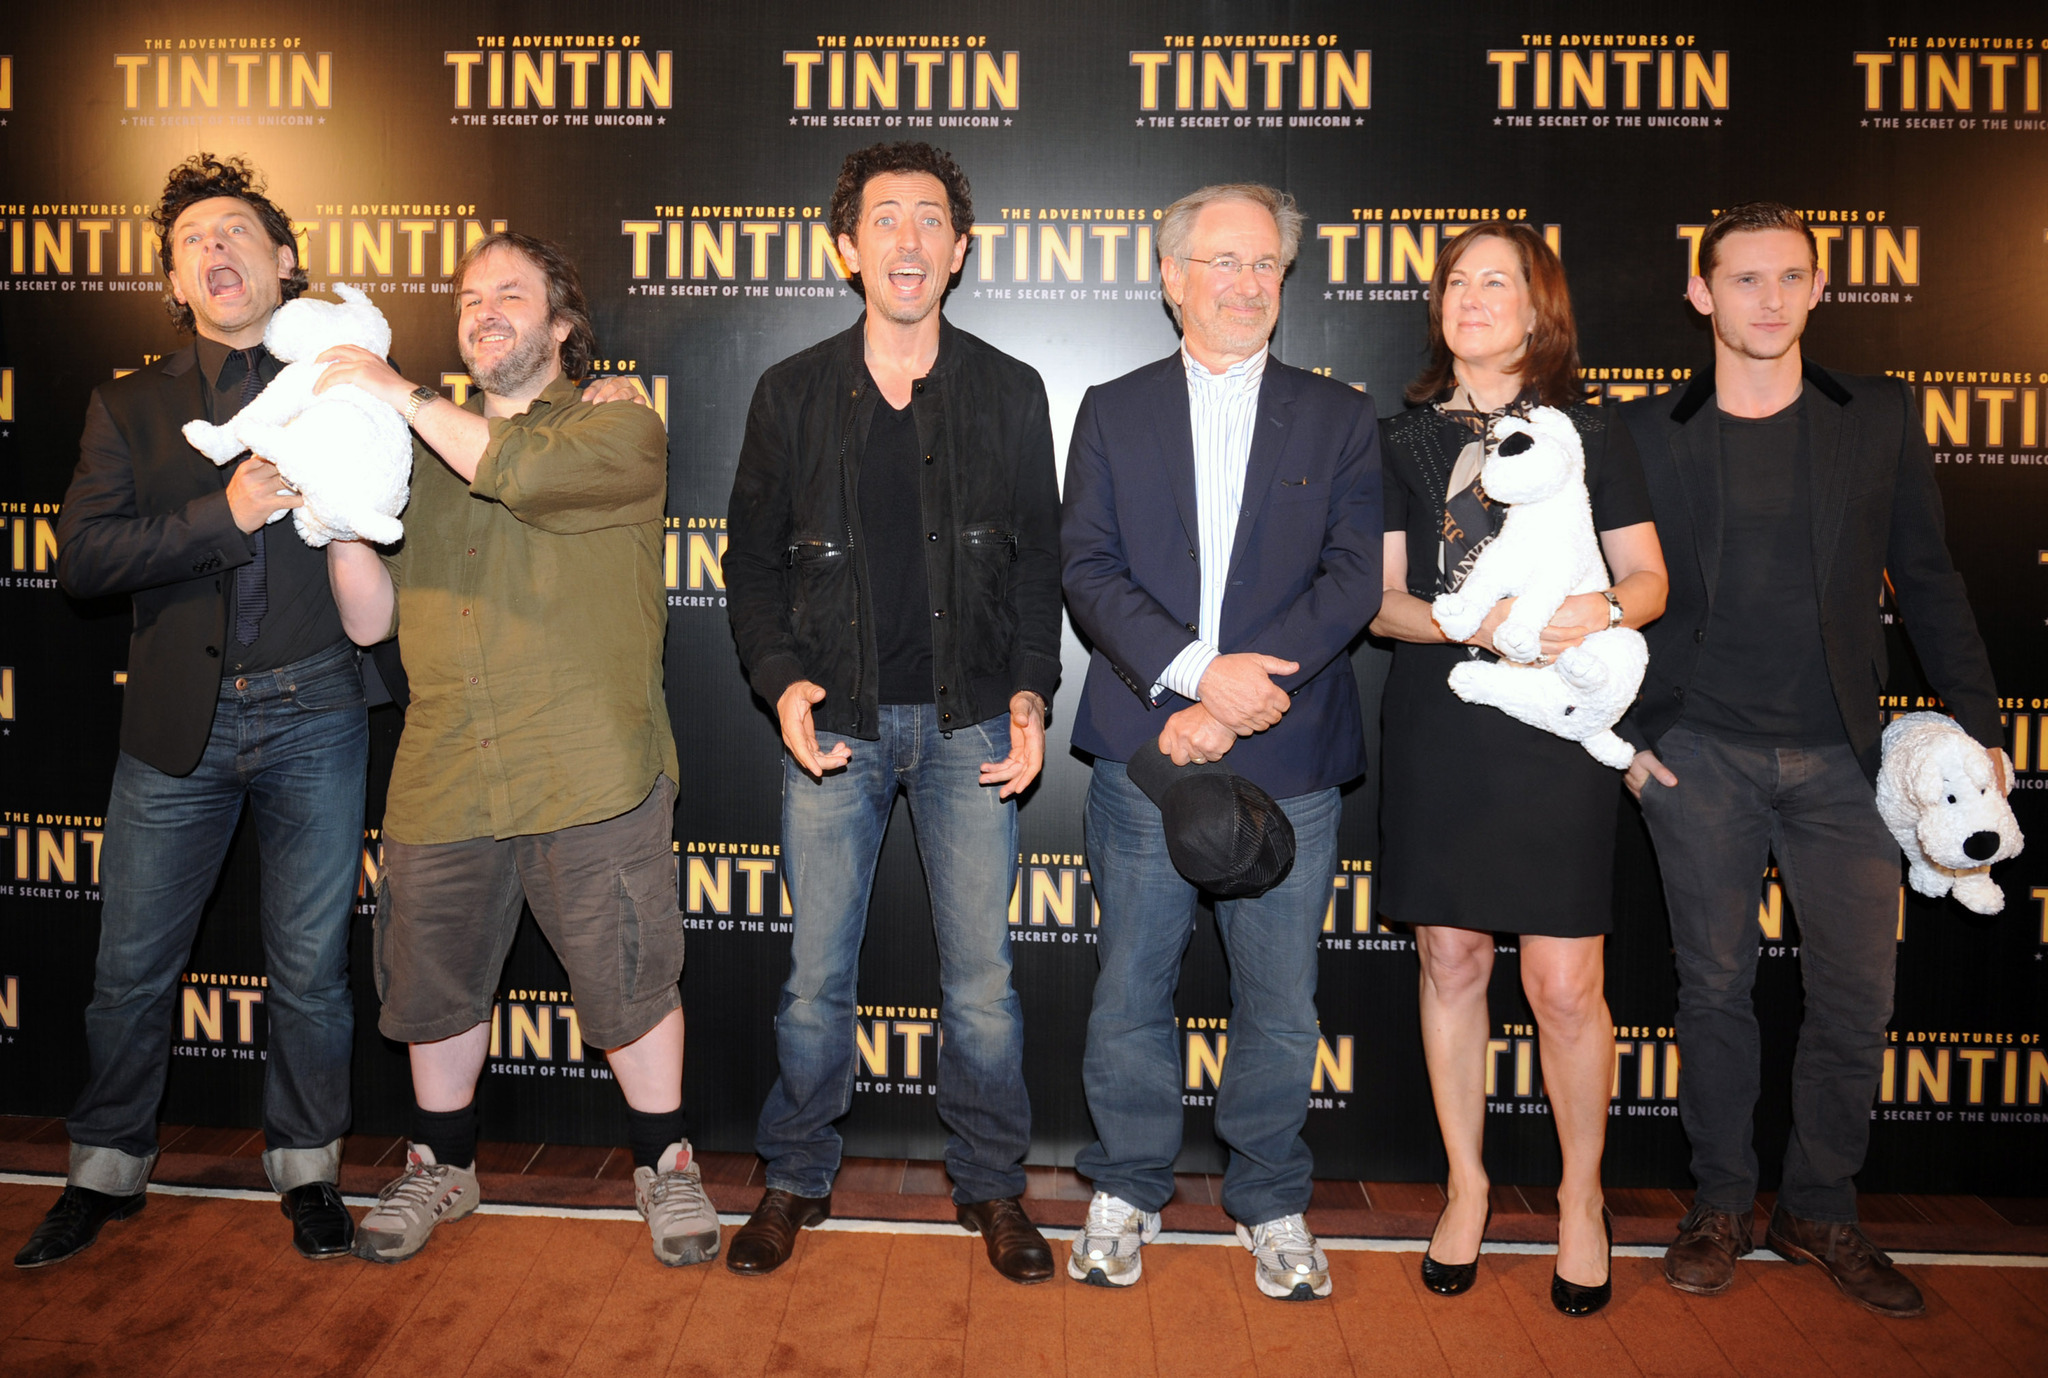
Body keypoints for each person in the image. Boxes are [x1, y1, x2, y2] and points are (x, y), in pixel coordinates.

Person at [1616, 202, 2002, 1319]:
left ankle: (1819, 1202)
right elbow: (1600, 599)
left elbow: (1926, 579)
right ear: (1700, 294)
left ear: (1818, 286)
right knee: (1716, 987)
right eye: (1742, 279)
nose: (1767, 299)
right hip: (1696, 753)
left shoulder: (1871, 417)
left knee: (1854, 992)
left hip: (1846, 757)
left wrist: (1974, 724)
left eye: (1789, 277)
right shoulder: (1645, 431)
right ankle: (1720, 1202)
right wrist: (1630, 744)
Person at [320, 232, 713, 1268]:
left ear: (562, 323)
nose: (483, 309)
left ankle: (665, 1163)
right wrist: (342, 517)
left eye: (509, 293)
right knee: (431, 985)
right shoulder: (409, 454)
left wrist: (398, 394)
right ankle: (440, 1164)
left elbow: (524, 479)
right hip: (445, 765)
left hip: (588, 766)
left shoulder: (615, 423)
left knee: (628, 981)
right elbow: (369, 624)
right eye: (466, 297)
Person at [723, 142, 1062, 1284]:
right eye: (885, 218)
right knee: (816, 977)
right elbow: (751, 565)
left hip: (971, 724)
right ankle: (793, 1176)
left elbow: (1037, 568)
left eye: (930, 221)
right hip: (837, 731)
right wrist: (779, 679)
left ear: (958, 254)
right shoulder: (789, 393)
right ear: (846, 249)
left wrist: (1027, 691)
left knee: (980, 984)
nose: (908, 238)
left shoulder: (1010, 390)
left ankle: (994, 1187)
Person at [20, 154, 366, 1269]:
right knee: (130, 967)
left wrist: (589, 379)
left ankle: (308, 1167)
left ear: (285, 261)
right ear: (174, 283)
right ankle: (105, 1169)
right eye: (192, 244)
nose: (215, 252)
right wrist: (221, 513)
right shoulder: (129, 406)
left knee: (310, 967)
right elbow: (82, 559)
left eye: (236, 233)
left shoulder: (348, 381)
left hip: (319, 706)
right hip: (180, 720)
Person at [1061, 183, 1382, 1300]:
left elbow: (1351, 583)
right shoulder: (1109, 407)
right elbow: (1087, 569)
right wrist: (1198, 681)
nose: (1246, 285)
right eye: (1222, 263)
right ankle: (1126, 1185)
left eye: (1265, 266)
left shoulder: (1340, 417)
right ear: (1170, 278)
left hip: (1287, 759)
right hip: (1148, 753)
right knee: (1130, 988)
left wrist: (1242, 696)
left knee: (1280, 1000)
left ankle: (1270, 1197)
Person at [1370, 222, 1668, 1316]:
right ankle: (1466, 1188)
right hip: (1447, 714)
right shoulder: (1395, 437)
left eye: (1498, 279)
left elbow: (1646, 580)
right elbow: (1380, 600)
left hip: (1554, 731)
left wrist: (1596, 607)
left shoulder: (1593, 432)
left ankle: (1580, 1202)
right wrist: (1467, 623)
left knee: (1561, 984)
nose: (1473, 296)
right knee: (1449, 960)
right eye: (1457, 279)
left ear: (1540, 307)